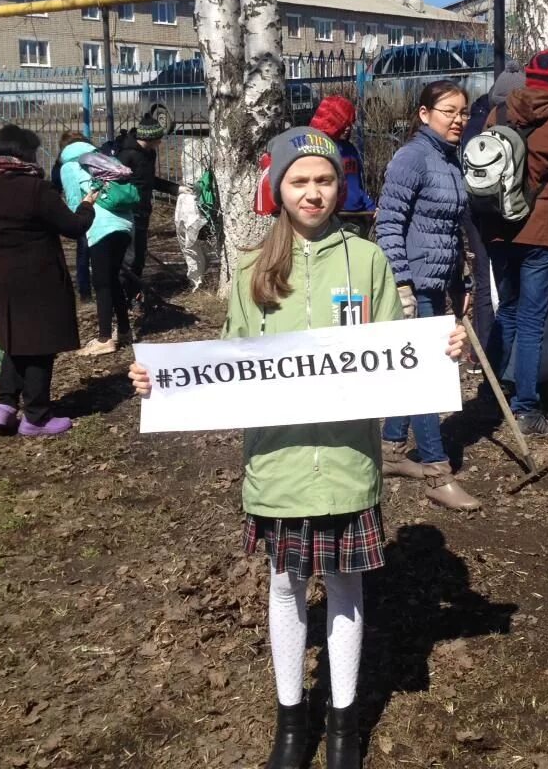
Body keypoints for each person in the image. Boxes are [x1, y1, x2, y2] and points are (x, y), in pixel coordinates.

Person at [129, 128, 467, 769]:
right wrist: (161, 384)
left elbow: (396, 349)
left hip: (346, 461)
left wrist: (437, 350)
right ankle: (291, 723)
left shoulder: (366, 260)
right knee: (285, 586)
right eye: (299, 181)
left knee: (344, 587)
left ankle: (342, 725)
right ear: (278, 189)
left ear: (341, 185)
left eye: (325, 180)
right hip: (278, 466)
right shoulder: (254, 268)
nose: (313, 192)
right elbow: (223, 367)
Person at [376, 80, 480, 511]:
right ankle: (438, 472)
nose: (458, 119)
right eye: (448, 111)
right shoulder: (412, 158)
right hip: (413, 287)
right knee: (426, 377)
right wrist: (400, 282)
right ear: (424, 114)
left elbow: (448, 232)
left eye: (463, 112)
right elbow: (388, 224)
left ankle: (390, 449)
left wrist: (462, 283)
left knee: (414, 372)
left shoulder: (449, 161)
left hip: (436, 285)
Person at [477, 48, 548, 436]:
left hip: (498, 227)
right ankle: (526, 409)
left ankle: (492, 393)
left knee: (506, 310)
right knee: (532, 320)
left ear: (527, 79)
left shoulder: (497, 115)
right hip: (541, 232)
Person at [0, 125, 98, 436]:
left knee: (14, 340)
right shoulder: (37, 190)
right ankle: (37, 416)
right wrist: (87, 205)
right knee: (41, 345)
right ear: (24, 154)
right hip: (39, 276)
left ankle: (4, 404)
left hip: (3, 274)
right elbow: (72, 226)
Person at [460, 63, 524, 369]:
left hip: (473, 212)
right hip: (489, 212)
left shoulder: (473, 122)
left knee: (487, 281)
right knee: (491, 282)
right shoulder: (495, 125)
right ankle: (487, 353)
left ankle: (482, 354)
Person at [59, 137, 136, 355]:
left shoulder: (69, 167)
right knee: (112, 279)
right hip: (125, 224)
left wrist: (78, 225)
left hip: (100, 226)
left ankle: (104, 339)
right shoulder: (103, 158)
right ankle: (124, 330)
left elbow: (76, 201)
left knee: (101, 282)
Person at [115, 115, 181, 310]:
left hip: (143, 211)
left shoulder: (149, 154)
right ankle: (122, 300)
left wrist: (176, 189)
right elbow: (114, 184)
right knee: (130, 257)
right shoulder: (126, 156)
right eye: (159, 139)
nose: (161, 142)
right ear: (149, 138)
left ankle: (134, 295)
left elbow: (150, 180)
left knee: (139, 257)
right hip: (128, 213)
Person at [311, 95, 375, 216]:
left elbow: (356, 186)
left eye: (350, 123)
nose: (347, 128)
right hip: (332, 217)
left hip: (357, 214)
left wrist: (370, 205)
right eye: (342, 122)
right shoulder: (317, 150)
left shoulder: (350, 149)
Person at [52, 130, 92, 301]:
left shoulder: (61, 163)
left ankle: (85, 292)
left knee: (83, 251)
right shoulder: (94, 155)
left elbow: (55, 187)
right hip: (102, 204)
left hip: (78, 210)